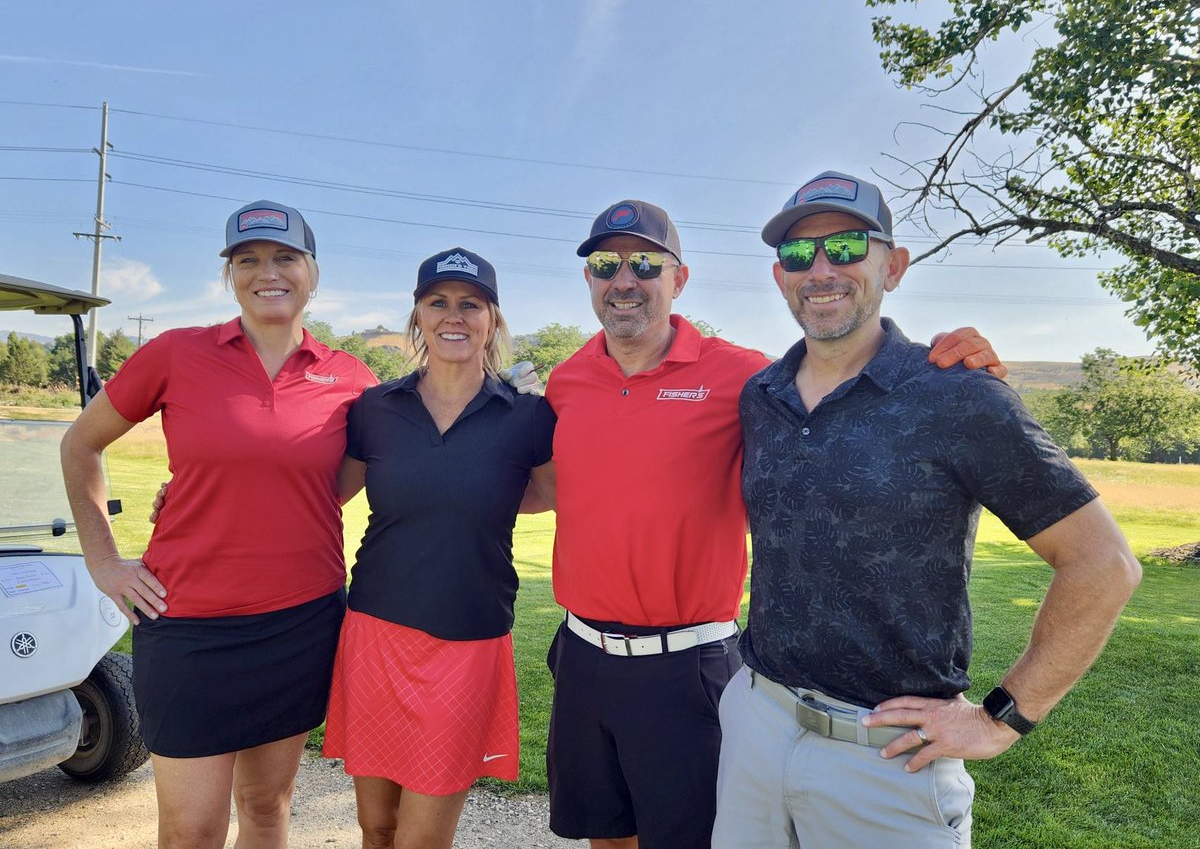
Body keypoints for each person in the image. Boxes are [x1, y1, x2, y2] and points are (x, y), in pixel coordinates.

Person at [541, 199, 1007, 849]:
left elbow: (844, 375)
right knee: (606, 834)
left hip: (689, 665)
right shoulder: (567, 380)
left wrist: (945, 366)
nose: (625, 279)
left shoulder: (743, 376)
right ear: (590, 279)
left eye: (646, 263)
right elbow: (549, 480)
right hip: (582, 655)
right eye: (605, 264)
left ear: (678, 278)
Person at [711, 171, 1142, 848]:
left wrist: (1003, 718)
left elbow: (1104, 564)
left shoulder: (958, 397)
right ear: (779, 277)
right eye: (800, 254)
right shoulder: (760, 395)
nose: (821, 268)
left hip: (887, 754)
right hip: (755, 721)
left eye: (848, 246)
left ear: (895, 265)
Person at [61, 200, 377, 848]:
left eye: (286, 257)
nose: (269, 272)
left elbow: (342, 482)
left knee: (266, 807)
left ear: (312, 273)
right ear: (230, 274)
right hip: (187, 625)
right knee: (191, 828)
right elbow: (80, 445)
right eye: (248, 259)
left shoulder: (350, 378)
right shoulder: (177, 354)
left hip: (299, 623)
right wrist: (104, 561)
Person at [321, 248, 556, 849]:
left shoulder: (527, 416)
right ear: (418, 317)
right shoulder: (376, 409)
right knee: (377, 829)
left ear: (493, 320)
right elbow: (319, 496)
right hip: (376, 632)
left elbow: (547, 496)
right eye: (438, 302)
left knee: (422, 839)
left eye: (470, 304)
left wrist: (477, 496)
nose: (454, 316)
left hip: (468, 639)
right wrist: (193, 493)